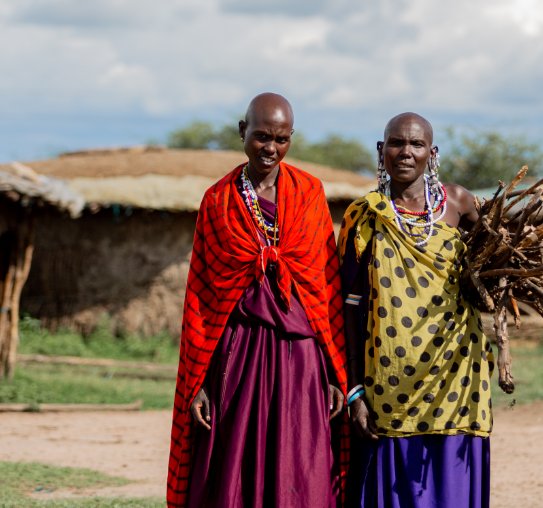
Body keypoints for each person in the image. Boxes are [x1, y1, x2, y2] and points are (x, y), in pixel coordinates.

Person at [167, 93, 348, 508]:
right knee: (236, 461)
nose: (271, 148)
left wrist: (336, 372)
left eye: (282, 139)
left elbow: (326, 287)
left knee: (300, 462)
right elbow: (202, 295)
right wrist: (199, 384)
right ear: (242, 132)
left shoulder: (309, 193)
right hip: (238, 352)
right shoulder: (218, 200)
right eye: (262, 136)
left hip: (302, 356)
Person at [339, 112, 494, 508]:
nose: (405, 152)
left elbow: (492, 262)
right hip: (388, 384)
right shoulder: (365, 216)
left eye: (416, 144)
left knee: (451, 490)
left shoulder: (458, 203)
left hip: (455, 377)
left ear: (432, 152)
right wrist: (355, 389)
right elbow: (351, 305)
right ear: (381, 150)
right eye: (396, 143)